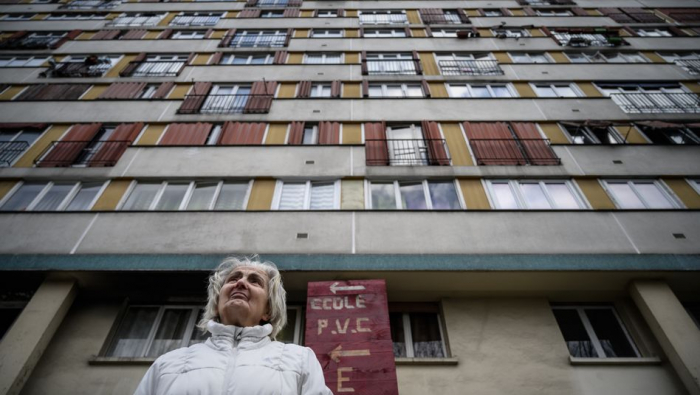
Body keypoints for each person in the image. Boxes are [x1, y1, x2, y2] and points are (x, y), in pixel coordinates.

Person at [134, 257, 333, 395]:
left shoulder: (299, 360)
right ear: (216, 305)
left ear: (268, 311)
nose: (241, 283)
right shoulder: (167, 364)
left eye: (255, 281)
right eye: (234, 279)